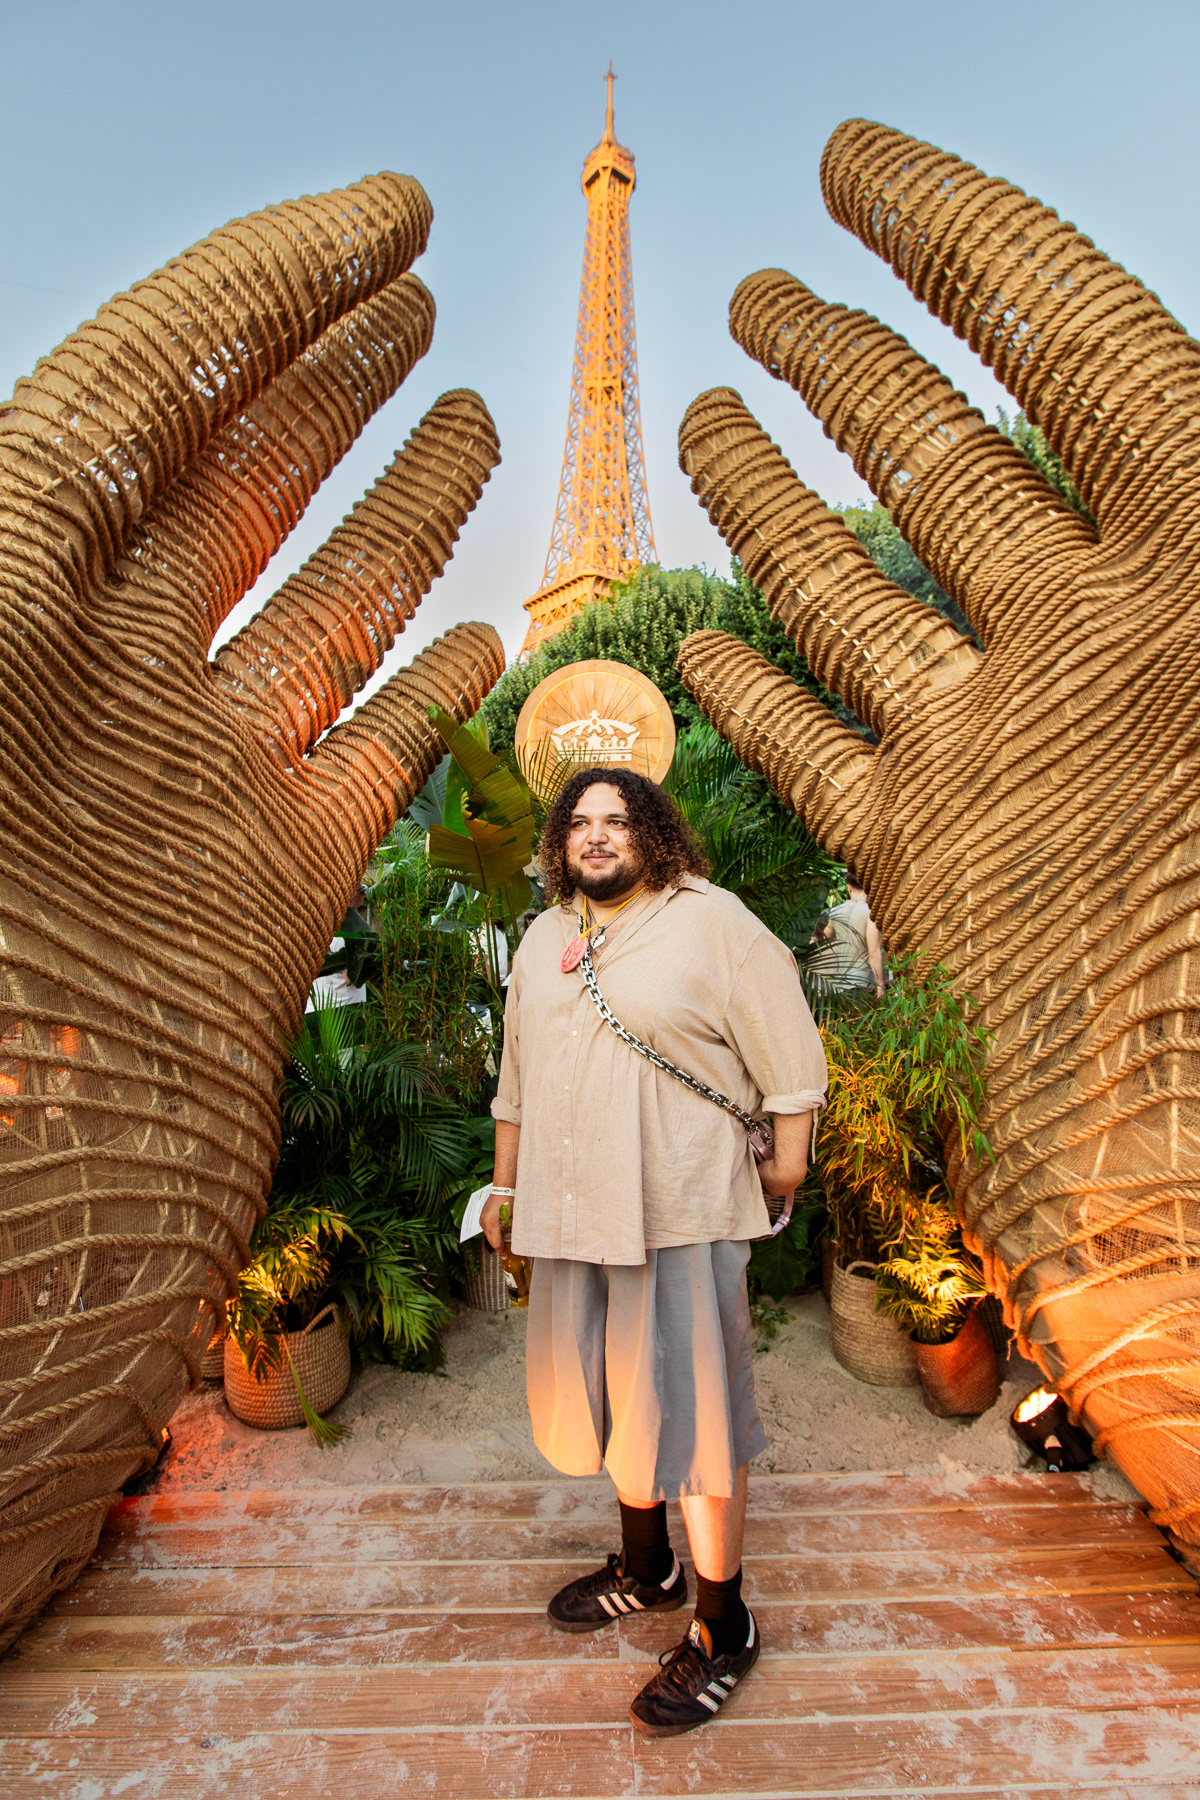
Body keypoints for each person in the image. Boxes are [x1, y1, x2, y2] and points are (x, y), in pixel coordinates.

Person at [481, 768, 826, 1737]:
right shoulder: (544, 938)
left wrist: (789, 1161)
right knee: (613, 1392)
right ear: (562, 841)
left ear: (654, 833)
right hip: (572, 1213)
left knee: (698, 1417)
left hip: (680, 1208)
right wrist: (504, 1189)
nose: (598, 836)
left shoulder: (709, 921)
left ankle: (724, 1624)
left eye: (619, 820)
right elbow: (517, 1080)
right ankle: (649, 1568)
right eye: (581, 822)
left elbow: (789, 1048)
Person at [812, 868, 886, 998]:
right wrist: (880, 984)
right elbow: (873, 952)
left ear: (849, 887)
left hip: (841, 986)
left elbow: (822, 941)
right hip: (863, 984)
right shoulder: (870, 914)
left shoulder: (835, 912)